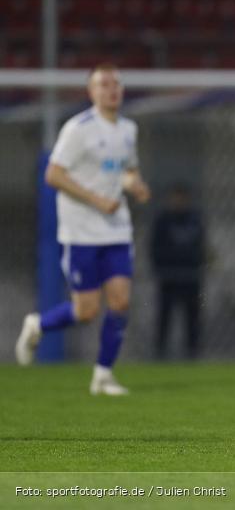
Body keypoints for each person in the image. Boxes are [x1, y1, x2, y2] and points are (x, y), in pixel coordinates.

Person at [15, 64, 151, 395]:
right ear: (91, 92)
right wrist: (96, 199)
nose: (112, 89)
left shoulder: (128, 129)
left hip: (117, 230)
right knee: (86, 311)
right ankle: (38, 324)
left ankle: (103, 374)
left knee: (120, 302)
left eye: (116, 84)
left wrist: (135, 185)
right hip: (81, 232)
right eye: (104, 85)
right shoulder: (78, 129)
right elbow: (53, 175)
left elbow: (126, 171)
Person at [151, 183, 204, 360]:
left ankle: (192, 353)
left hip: (190, 276)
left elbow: (201, 246)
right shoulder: (163, 220)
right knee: (164, 315)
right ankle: (160, 352)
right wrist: (160, 268)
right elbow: (154, 247)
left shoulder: (195, 220)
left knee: (192, 317)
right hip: (168, 276)